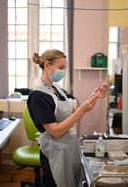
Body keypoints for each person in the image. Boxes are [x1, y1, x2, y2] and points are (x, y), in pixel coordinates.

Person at [27, 49, 107, 187]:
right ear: (46, 65)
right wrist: (82, 110)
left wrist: (93, 97)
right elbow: (55, 131)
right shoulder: (38, 95)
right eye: (61, 67)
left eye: (65, 68)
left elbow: (73, 110)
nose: (63, 71)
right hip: (54, 153)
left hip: (68, 148)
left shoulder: (57, 89)